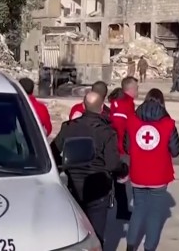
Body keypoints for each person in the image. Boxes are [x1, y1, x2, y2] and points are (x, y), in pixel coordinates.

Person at [51, 91, 127, 246]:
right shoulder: (106, 132)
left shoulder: (69, 127)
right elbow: (112, 164)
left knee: (76, 235)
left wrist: (62, 170)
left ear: (83, 106)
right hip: (98, 190)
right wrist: (124, 169)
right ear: (102, 108)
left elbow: (53, 152)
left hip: (74, 187)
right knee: (96, 236)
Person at [124, 89, 179, 251]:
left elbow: (127, 148)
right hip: (159, 176)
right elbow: (175, 151)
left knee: (138, 210)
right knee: (155, 214)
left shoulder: (132, 121)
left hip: (138, 174)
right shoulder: (168, 124)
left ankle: (130, 246)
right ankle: (149, 247)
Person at [110, 77, 138, 221]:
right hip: (121, 148)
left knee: (119, 180)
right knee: (120, 180)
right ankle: (121, 210)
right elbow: (120, 127)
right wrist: (125, 148)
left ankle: (121, 208)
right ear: (130, 89)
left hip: (119, 146)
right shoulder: (124, 104)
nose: (138, 91)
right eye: (136, 88)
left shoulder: (122, 102)